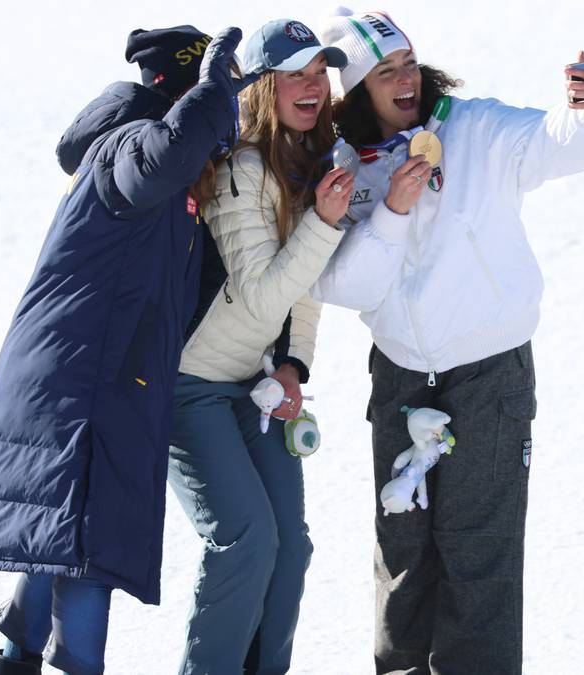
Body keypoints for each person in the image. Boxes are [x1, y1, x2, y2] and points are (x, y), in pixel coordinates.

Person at [313, 8, 584, 673]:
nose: (406, 82)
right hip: (401, 378)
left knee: (479, 549)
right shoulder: (345, 169)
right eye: (385, 73)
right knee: (404, 550)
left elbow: (556, 142)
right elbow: (345, 286)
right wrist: (393, 210)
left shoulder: (475, 127)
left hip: (490, 374)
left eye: (409, 65)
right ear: (358, 93)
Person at [0, 26, 255, 675]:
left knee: (59, 546)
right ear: (178, 99)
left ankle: (13, 654)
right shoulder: (128, 147)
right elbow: (165, 153)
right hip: (83, 386)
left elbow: (177, 305)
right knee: (85, 555)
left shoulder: (166, 194)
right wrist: (209, 97)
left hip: (87, 380)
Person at [165, 19, 353, 674]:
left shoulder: (306, 160)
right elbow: (259, 297)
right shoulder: (239, 169)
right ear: (261, 86)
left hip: (255, 383)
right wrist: (325, 225)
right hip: (189, 388)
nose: (312, 86)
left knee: (290, 547)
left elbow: (306, 291)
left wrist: (296, 363)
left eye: (319, 72)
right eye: (295, 73)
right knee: (245, 540)